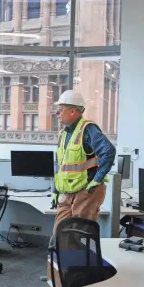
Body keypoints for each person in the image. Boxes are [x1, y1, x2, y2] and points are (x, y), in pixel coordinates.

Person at [50, 90, 116, 231]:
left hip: (86, 191)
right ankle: (59, 254)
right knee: (59, 233)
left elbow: (108, 151)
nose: (57, 114)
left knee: (78, 234)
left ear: (73, 111)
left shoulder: (88, 129)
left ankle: (77, 254)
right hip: (68, 191)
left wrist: (97, 180)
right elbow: (59, 164)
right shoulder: (63, 133)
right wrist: (55, 189)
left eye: (60, 110)